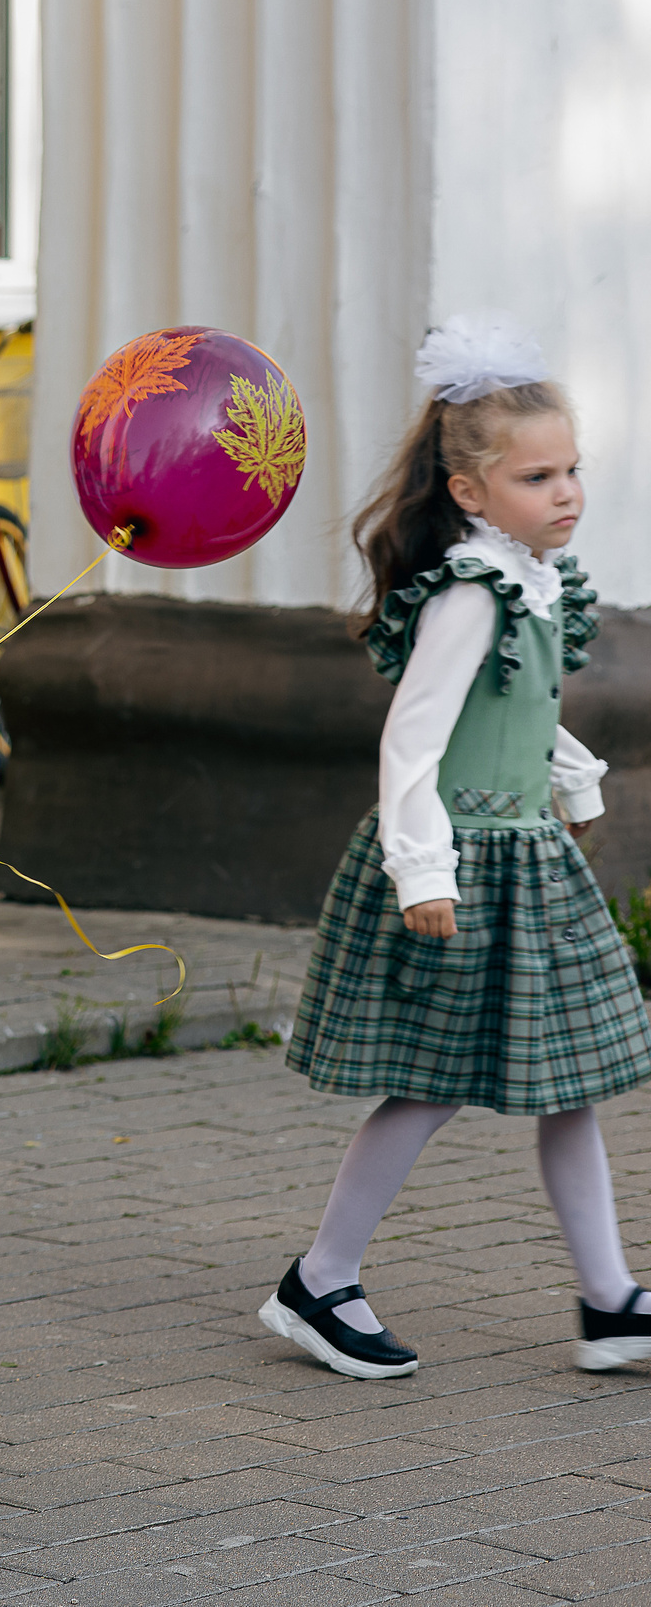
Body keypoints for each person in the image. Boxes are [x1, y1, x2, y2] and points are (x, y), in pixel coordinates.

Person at [268, 315, 651, 1378]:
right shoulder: (471, 593)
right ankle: (320, 1279)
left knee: (570, 1081)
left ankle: (610, 1300)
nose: (565, 492)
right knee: (430, 1082)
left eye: (571, 470)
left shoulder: (529, 583)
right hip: (464, 864)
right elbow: (414, 740)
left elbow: (522, 711)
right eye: (536, 476)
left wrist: (570, 777)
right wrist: (421, 870)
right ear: (472, 494)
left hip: (527, 857)